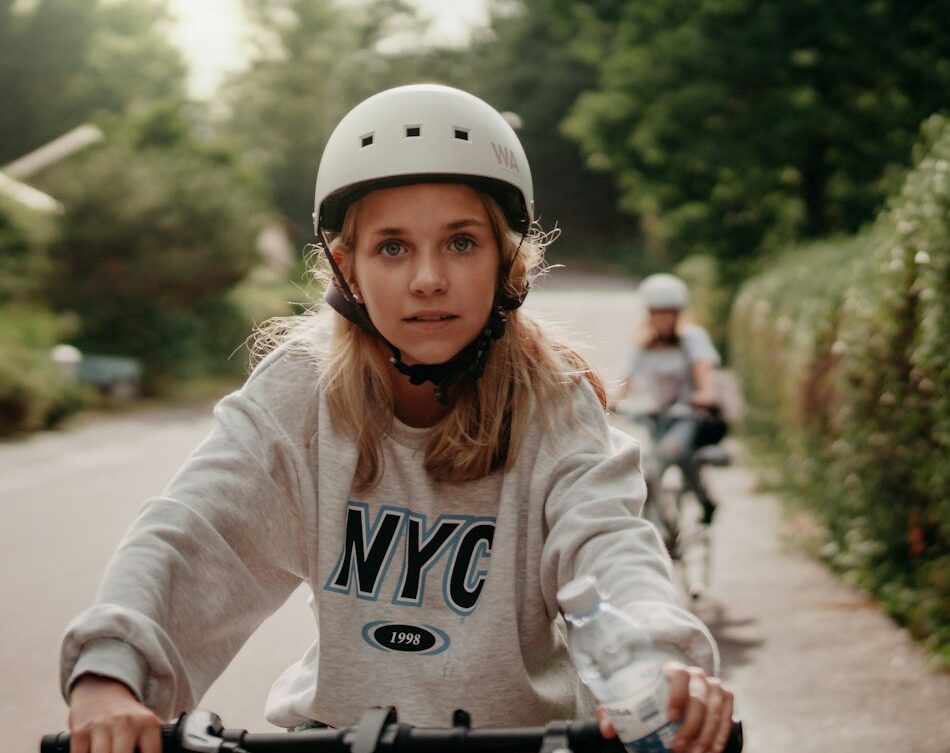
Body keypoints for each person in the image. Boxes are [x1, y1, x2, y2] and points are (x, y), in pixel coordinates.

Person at [60, 85, 734, 753]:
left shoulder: (552, 401)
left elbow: (612, 547)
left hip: (526, 740)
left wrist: (662, 662)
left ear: (508, 259)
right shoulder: (302, 389)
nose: (428, 278)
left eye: (462, 242)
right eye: (392, 247)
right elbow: (196, 528)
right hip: (336, 734)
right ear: (347, 268)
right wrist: (110, 670)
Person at [621, 274, 723, 530]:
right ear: (649, 314)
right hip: (659, 418)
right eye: (658, 312)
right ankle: (656, 527)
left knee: (664, 458)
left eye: (669, 312)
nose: (664, 318)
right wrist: (606, 400)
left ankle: (705, 501)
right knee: (656, 468)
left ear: (678, 313)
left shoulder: (692, 339)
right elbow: (625, 382)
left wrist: (705, 394)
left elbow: (703, 372)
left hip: (688, 417)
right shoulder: (644, 345)